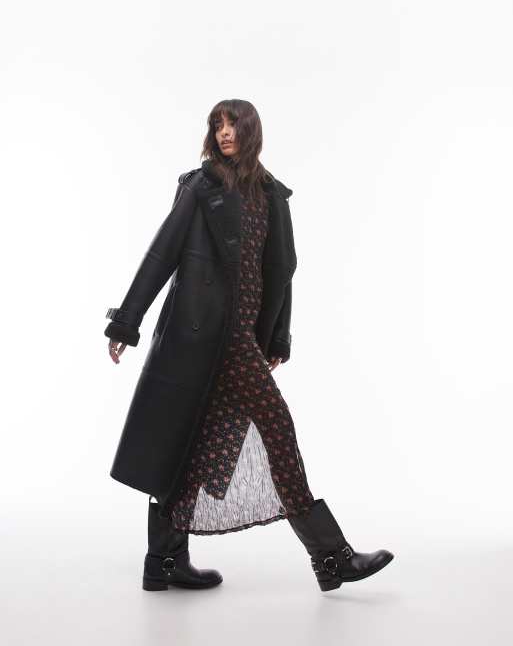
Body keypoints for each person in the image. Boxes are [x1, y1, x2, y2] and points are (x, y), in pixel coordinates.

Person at [105, 99, 394, 593]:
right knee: (277, 429)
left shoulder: (271, 194)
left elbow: (282, 270)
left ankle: (164, 561)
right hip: (206, 337)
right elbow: (162, 252)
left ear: (251, 130)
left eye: (232, 124)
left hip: (246, 339)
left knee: (194, 446)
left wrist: (278, 335)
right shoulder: (199, 188)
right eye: (217, 125)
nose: (224, 133)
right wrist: (125, 323)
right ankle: (331, 557)